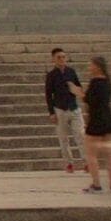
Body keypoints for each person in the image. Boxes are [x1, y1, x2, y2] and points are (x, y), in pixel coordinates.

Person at [42, 48, 85, 177]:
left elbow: (78, 87)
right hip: (60, 109)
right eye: (59, 57)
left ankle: (86, 161)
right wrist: (51, 112)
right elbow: (48, 95)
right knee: (63, 138)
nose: (62, 59)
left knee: (80, 135)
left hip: (73, 107)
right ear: (53, 59)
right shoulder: (51, 75)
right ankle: (69, 163)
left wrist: (76, 90)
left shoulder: (71, 72)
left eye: (63, 57)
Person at [81, 56, 111, 192]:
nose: (89, 68)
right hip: (108, 119)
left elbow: (88, 100)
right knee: (109, 154)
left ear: (97, 66)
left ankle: (96, 184)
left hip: (96, 120)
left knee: (91, 154)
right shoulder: (108, 82)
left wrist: (77, 92)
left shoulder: (95, 82)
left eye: (91, 65)